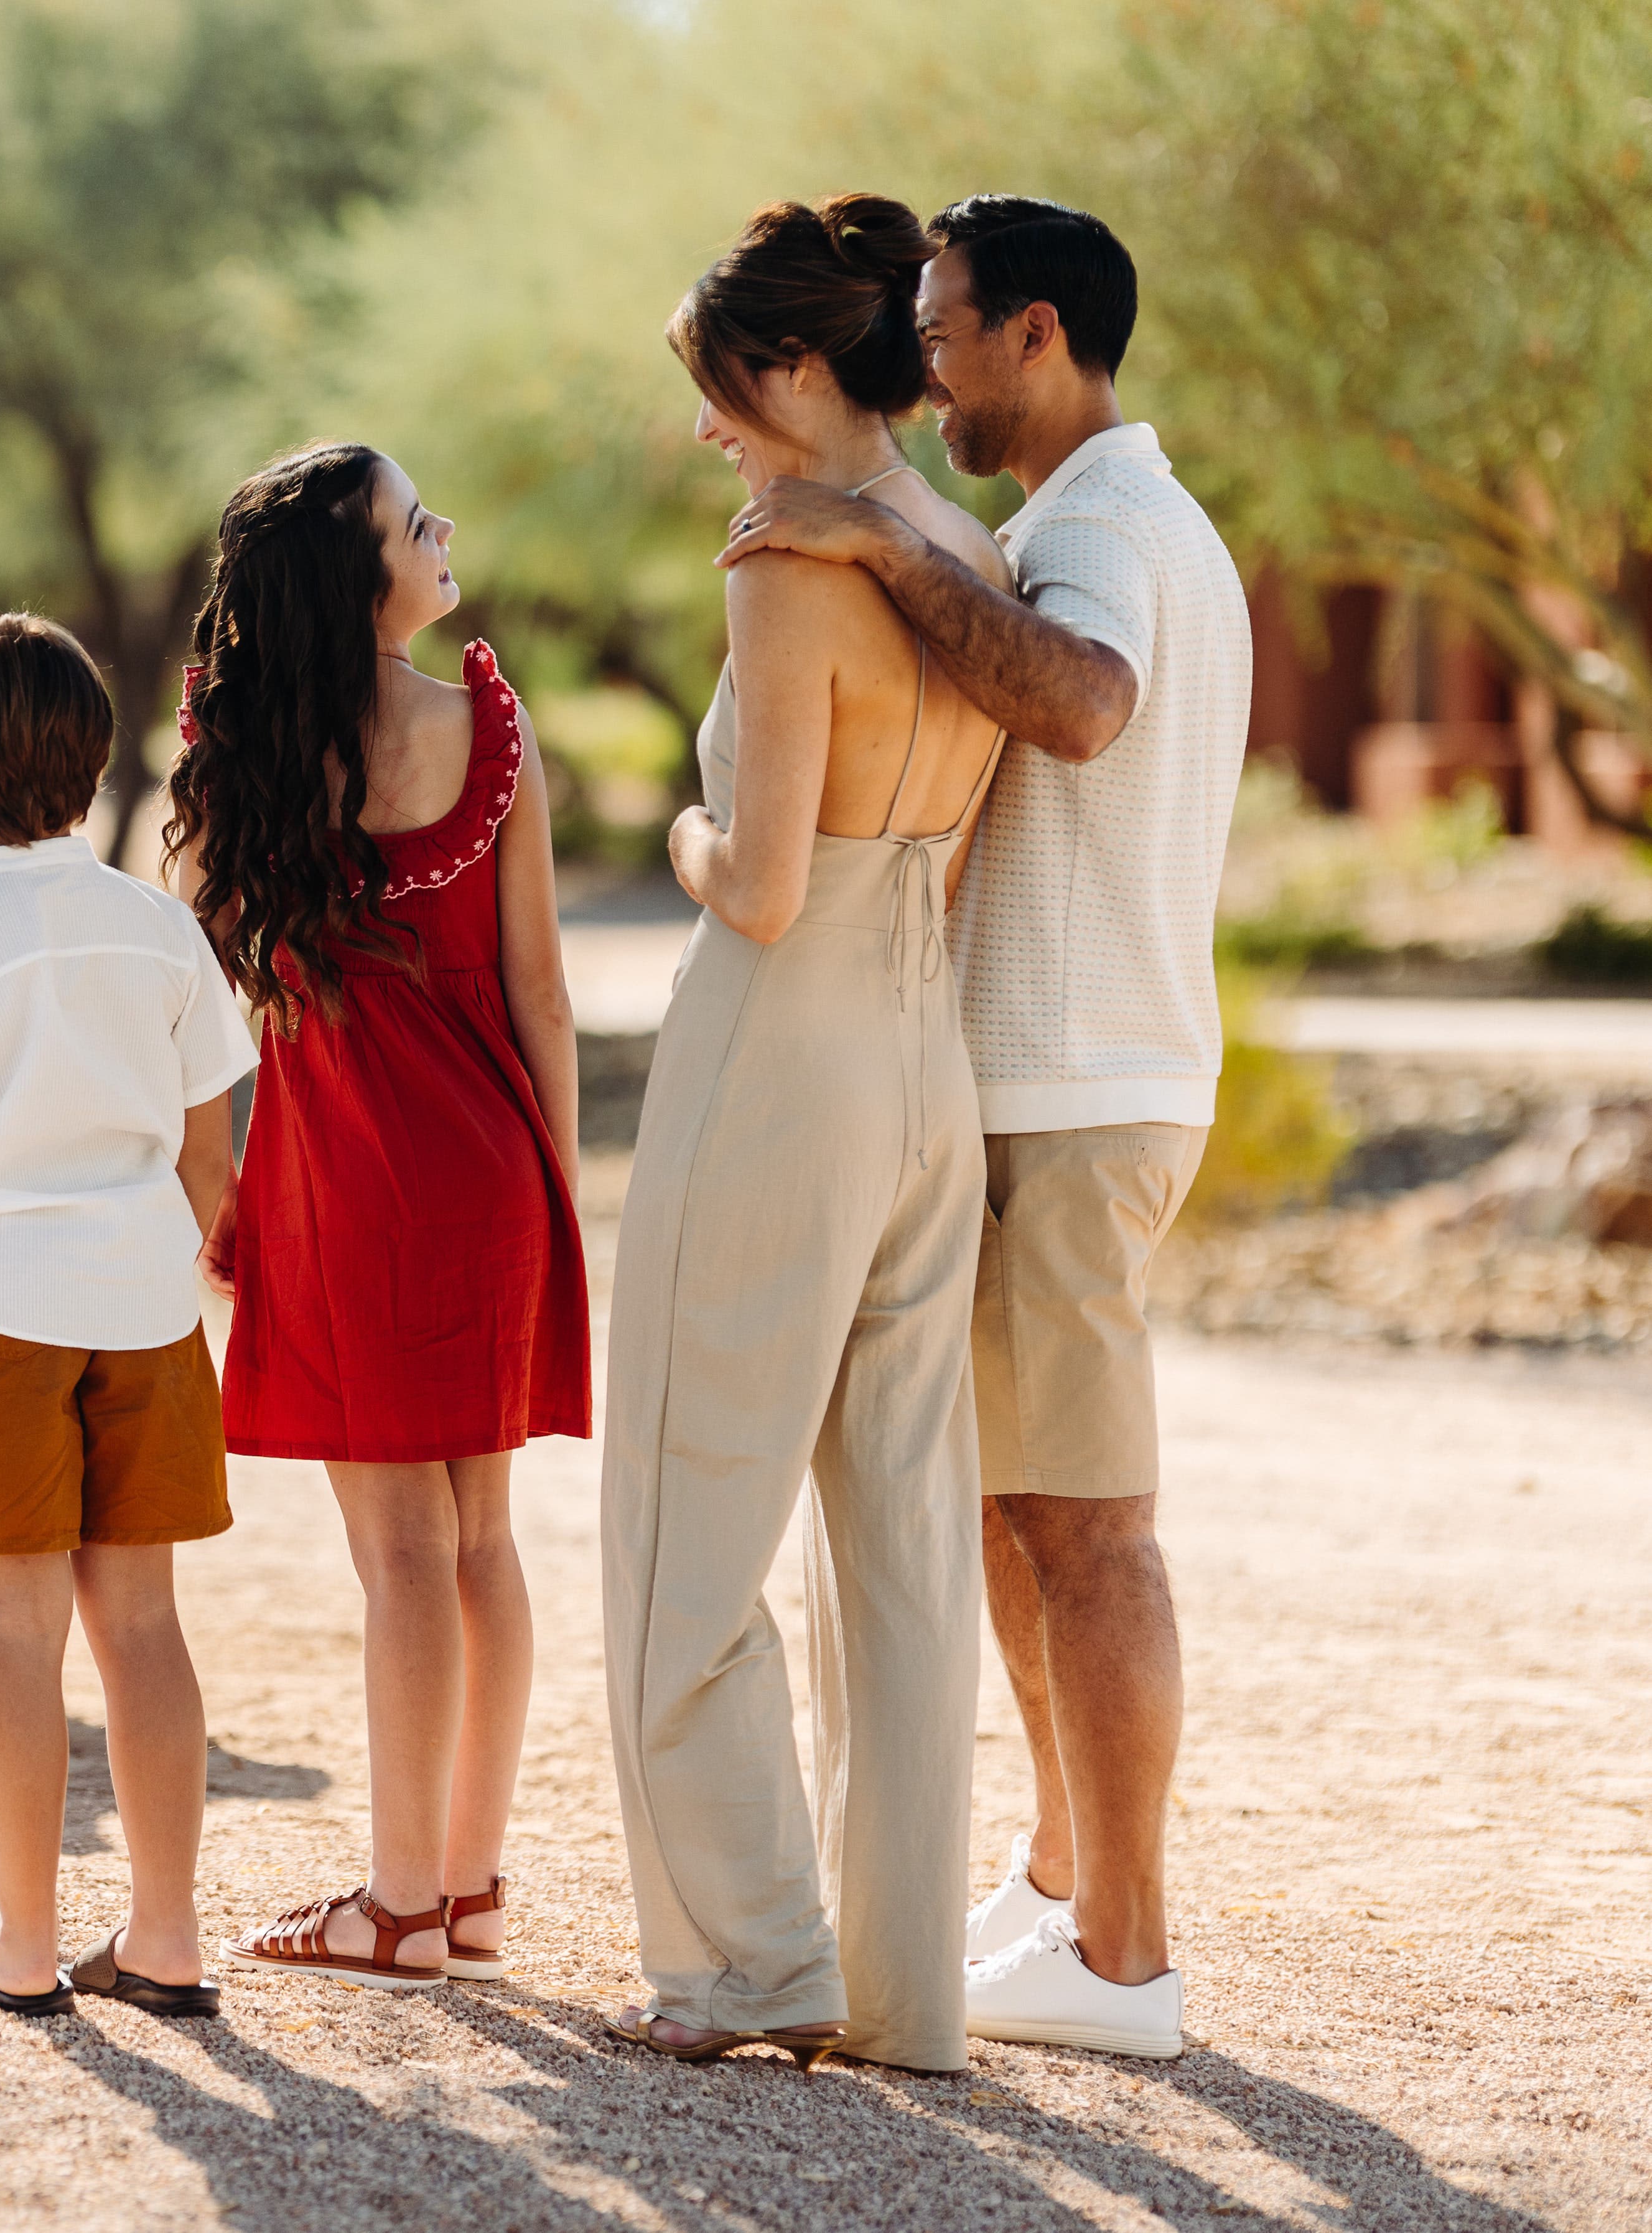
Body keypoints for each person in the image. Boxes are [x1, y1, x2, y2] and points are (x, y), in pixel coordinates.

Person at [719, 196, 1249, 2062]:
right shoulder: (1103, 519)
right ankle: (1058, 1890)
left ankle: (1125, 1958)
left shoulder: (1098, 530)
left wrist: (872, 535)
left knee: (1088, 1533)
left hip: (1072, 1097)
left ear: (1037, 332)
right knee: (1026, 1517)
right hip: (1068, 1088)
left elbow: (1082, 707)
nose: (921, 368)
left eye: (942, 332)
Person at [602, 195, 1019, 2074]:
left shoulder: (784, 564)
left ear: (787, 368)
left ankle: (748, 1961)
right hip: (926, 1057)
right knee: (907, 1542)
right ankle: (907, 1993)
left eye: (717, 386)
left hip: (778, 1050)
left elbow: (759, 887)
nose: (708, 427)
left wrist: (672, 837)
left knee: (687, 1506)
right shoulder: (964, 546)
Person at [169, 443, 590, 1992]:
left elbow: (196, 1002)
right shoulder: (490, 726)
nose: (444, 528)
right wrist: (554, 1188)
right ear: (363, 582)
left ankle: (398, 1904)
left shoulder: (237, 754)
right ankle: (465, 1889)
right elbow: (544, 990)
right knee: (482, 1540)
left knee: (401, 1554)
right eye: (418, 524)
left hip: (343, 1179)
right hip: (493, 1171)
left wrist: (215, 1188)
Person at [0, 614, 256, 2020]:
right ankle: (166, 1937)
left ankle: (24, 1946)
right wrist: (175, 1259)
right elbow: (210, 1155)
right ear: (92, 759)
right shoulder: (161, 933)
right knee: (143, 1623)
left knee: (14, 1633)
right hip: (142, 1307)